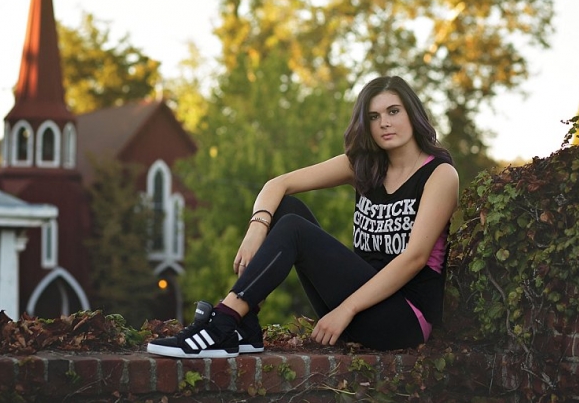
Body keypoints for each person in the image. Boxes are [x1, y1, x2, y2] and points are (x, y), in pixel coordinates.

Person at [147, 76, 459, 359]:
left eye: (394, 111)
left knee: (295, 228)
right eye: (374, 116)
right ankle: (246, 326)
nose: (384, 124)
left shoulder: (439, 174)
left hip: (402, 319)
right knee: (286, 209)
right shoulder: (363, 166)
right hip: (355, 305)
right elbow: (277, 184)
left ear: (412, 114)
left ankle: (223, 322)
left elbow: (414, 258)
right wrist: (258, 227)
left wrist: (346, 310)